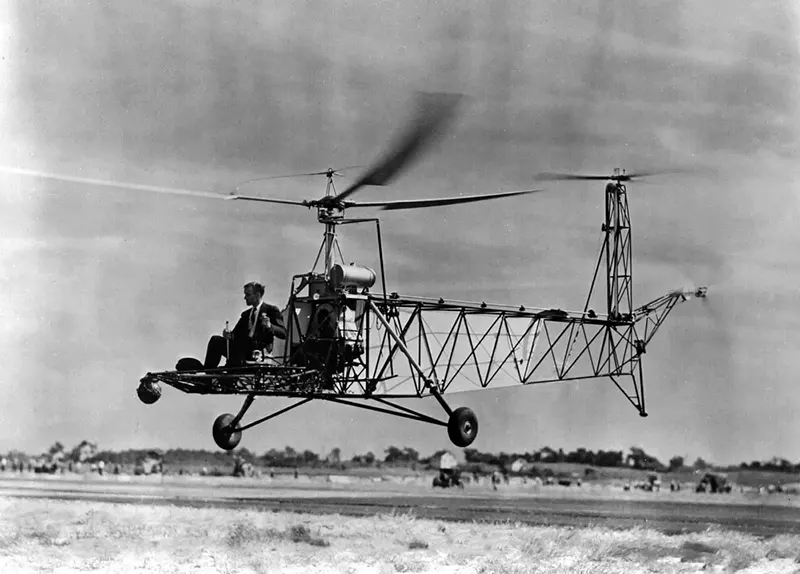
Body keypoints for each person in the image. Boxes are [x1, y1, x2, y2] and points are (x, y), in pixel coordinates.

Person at [201, 281, 287, 369]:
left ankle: (227, 370)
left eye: (248, 294)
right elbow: (235, 334)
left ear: (257, 295)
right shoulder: (246, 314)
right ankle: (207, 374)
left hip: (257, 352)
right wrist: (229, 334)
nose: (245, 297)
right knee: (215, 340)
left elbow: (283, 333)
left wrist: (270, 326)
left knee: (238, 355)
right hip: (241, 350)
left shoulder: (271, 310)